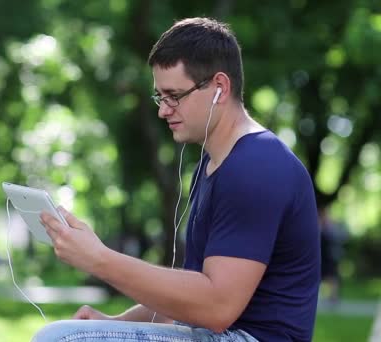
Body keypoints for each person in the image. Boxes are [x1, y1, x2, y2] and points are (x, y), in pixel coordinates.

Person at [34, 17, 320, 342]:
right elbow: (192, 289)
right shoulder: (213, 164)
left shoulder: (257, 165)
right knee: (71, 333)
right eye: (160, 97)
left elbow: (215, 308)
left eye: (174, 95)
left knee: (61, 339)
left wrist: (99, 259)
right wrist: (117, 321)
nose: (163, 110)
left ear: (219, 88)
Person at [319, 206, 348, 303]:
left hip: (330, 257)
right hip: (322, 257)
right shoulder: (320, 226)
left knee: (332, 277)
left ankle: (333, 297)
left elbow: (340, 238)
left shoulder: (331, 226)